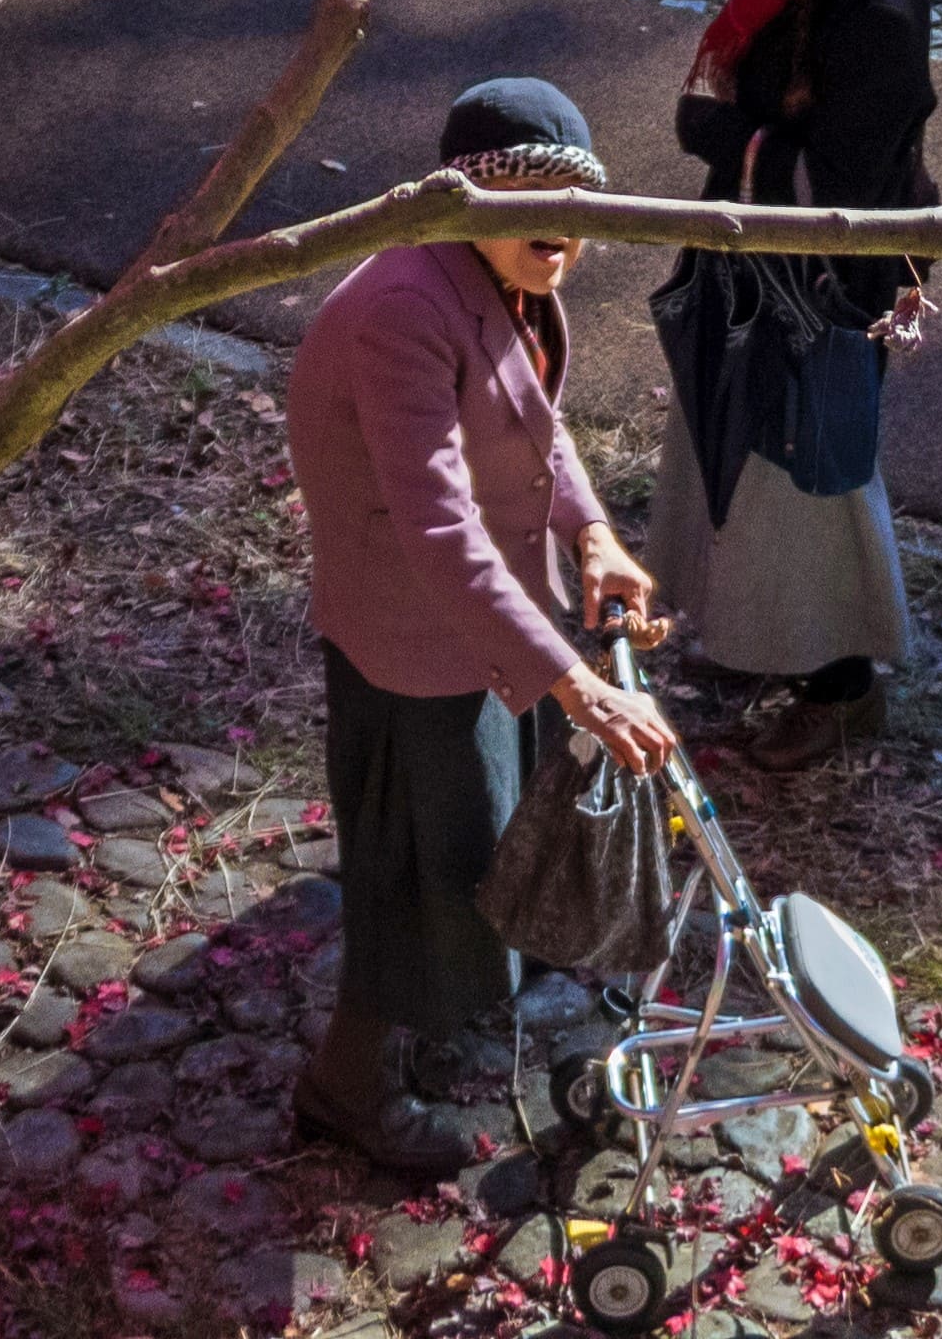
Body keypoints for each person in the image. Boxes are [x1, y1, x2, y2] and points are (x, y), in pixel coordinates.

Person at [281, 75, 678, 1173]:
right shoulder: (406, 307)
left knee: (486, 832)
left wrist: (591, 532)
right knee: (413, 870)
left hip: (491, 623)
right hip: (413, 638)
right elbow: (437, 523)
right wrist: (573, 678)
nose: (558, 230)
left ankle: (490, 969)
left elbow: (533, 427)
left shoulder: (506, 275)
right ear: (462, 198)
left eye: (576, 206)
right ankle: (345, 1087)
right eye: (529, 200)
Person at [654, 0, 941, 772]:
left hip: (826, 272)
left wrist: (725, 138)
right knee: (731, 431)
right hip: (753, 234)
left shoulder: (875, 0)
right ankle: (754, 629)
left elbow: (850, 181)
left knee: (806, 472)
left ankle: (839, 679)